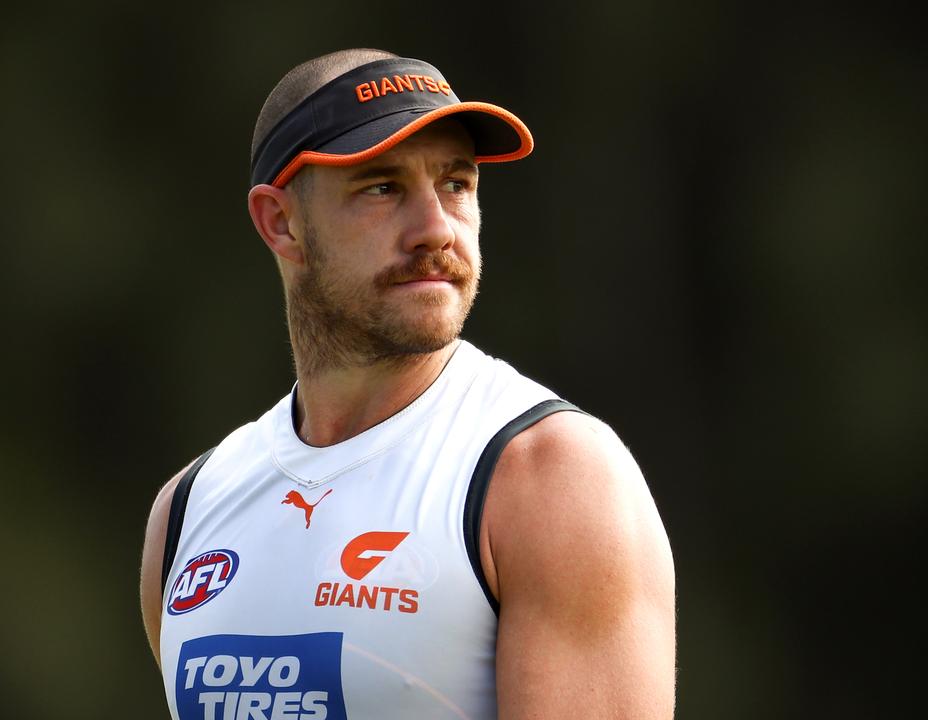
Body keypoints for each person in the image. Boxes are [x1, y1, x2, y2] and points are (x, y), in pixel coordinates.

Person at [140, 48, 675, 720]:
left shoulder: (550, 477)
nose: (435, 229)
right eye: (383, 188)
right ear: (281, 222)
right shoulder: (188, 512)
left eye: (456, 184)